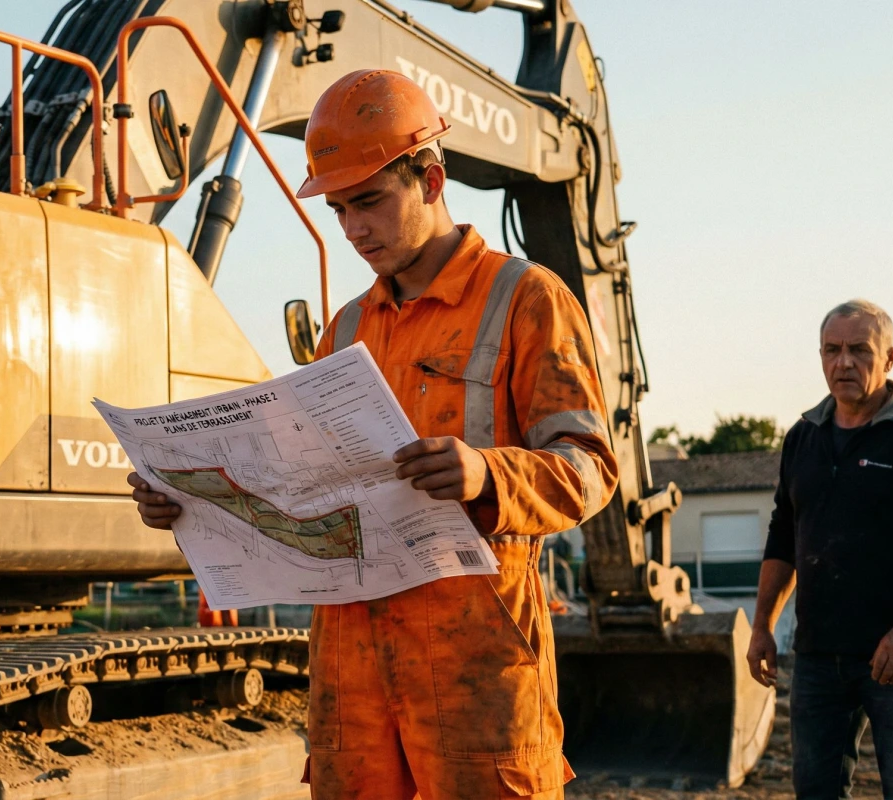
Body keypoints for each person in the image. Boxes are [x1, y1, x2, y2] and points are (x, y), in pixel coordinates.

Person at [127, 69, 618, 799]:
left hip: (473, 661)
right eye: (339, 210)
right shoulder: (347, 328)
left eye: (369, 202)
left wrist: (489, 476)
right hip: (351, 671)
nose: (354, 229)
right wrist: (192, 503)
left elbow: (590, 470)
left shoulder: (527, 299)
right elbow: (301, 486)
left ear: (431, 179)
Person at [747, 299, 893, 800]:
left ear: (889, 359)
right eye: (831, 350)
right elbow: (784, 533)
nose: (842, 362)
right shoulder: (803, 437)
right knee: (816, 791)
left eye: (858, 350)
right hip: (819, 656)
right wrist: (762, 625)